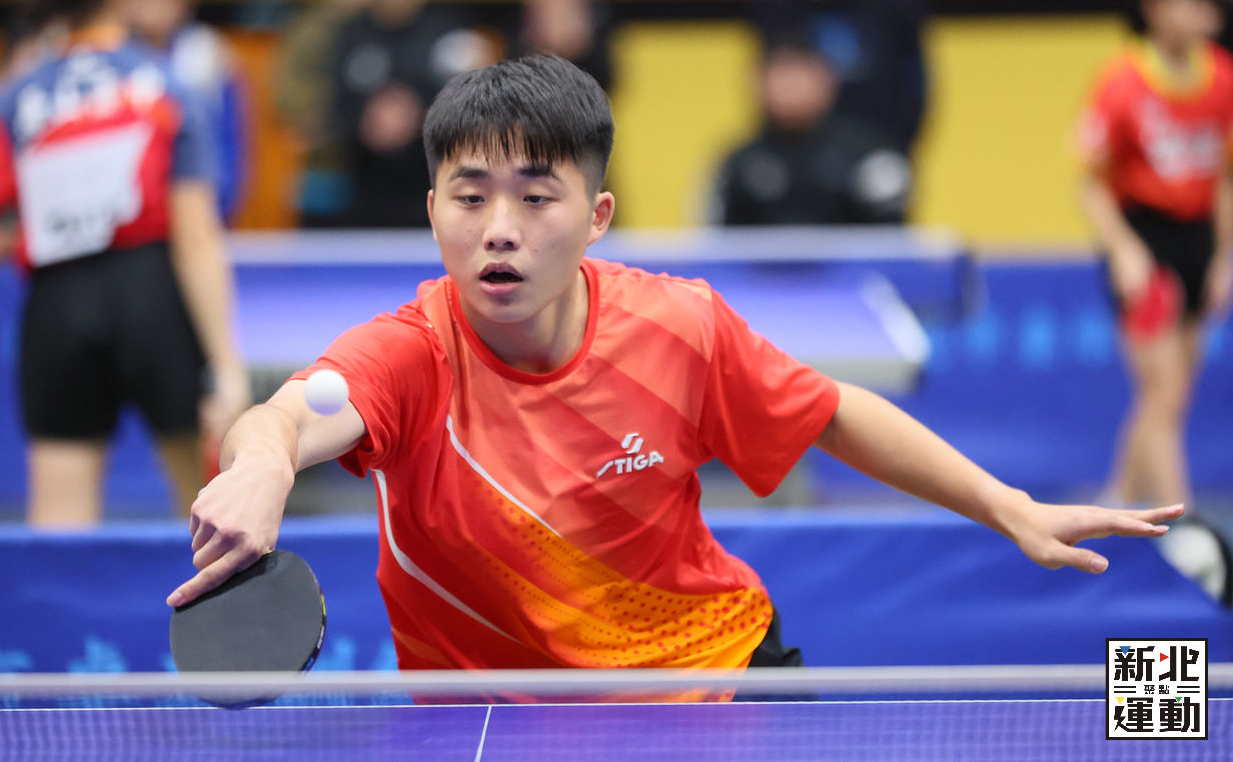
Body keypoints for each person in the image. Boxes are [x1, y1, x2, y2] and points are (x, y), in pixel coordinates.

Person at [169, 55, 1180, 688]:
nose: (500, 229)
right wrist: (261, 467)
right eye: (469, 197)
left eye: (536, 196)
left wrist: (1007, 506)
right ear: (432, 211)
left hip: (713, 677)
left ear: (597, 216)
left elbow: (831, 412)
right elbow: (288, 415)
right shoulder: (410, 355)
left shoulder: (678, 327)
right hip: (498, 714)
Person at [0, 0, 249, 526]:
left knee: (59, 526)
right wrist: (225, 364)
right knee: (208, 511)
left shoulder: (13, 95)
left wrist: (14, 237)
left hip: (56, 305)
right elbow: (195, 235)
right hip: (153, 297)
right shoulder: (166, 85)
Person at [1077, 0, 1233, 511]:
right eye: (1180, 0)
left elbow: (1224, 180)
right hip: (1143, 241)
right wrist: (1124, 250)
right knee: (1163, 390)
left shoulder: (1223, 79)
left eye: (1202, 3)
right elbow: (1089, 184)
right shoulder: (1121, 81)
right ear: (1153, 6)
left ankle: (1119, 495)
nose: (1191, 14)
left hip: (1198, 243)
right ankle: (1179, 525)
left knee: (1170, 395)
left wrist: (1224, 258)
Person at [327, 0, 489, 227]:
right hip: (365, 200)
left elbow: (474, 113)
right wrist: (366, 119)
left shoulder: (449, 27)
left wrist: (420, 116)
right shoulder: (349, 32)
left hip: (436, 201)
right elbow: (334, 108)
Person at [756, 0, 927, 156]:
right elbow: (769, 89)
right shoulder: (781, 10)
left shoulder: (894, 7)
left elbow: (914, 87)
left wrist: (898, 151)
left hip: (880, 147)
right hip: (800, 155)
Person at [711, 40, 909, 225]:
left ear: (826, 82)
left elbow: (890, 234)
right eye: (780, 77)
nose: (789, 88)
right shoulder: (739, 162)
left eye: (798, 76)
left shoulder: (870, 154)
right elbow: (718, 238)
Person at [128, 0, 250, 224]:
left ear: (183, 2)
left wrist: (222, 202)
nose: (156, 9)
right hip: (132, 211)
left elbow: (231, 137)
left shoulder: (209, 54)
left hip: (199, 203)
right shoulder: (113, 59)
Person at [272, 0, 371, 229]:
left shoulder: (392, 19)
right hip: (323, 176)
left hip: (390, 182)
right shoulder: (308, 25)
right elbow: (287, 99)